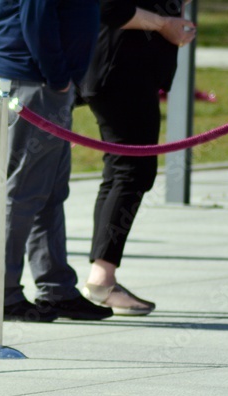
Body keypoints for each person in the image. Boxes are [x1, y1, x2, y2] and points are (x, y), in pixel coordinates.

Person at [0, 0, 113, 322]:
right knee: (24, 193)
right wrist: (58, 78)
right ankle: (1, 294)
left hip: (32, 80)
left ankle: (56, 288)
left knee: (48, 190)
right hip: (32, 82)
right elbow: (36, 18)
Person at [79, 0, 195, 315]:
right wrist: (163, 24)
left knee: (123, 173)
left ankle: (102, 276)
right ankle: (102, 279)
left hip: (124, 73)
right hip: (120, 74)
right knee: (132, 172)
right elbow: (108, 7)